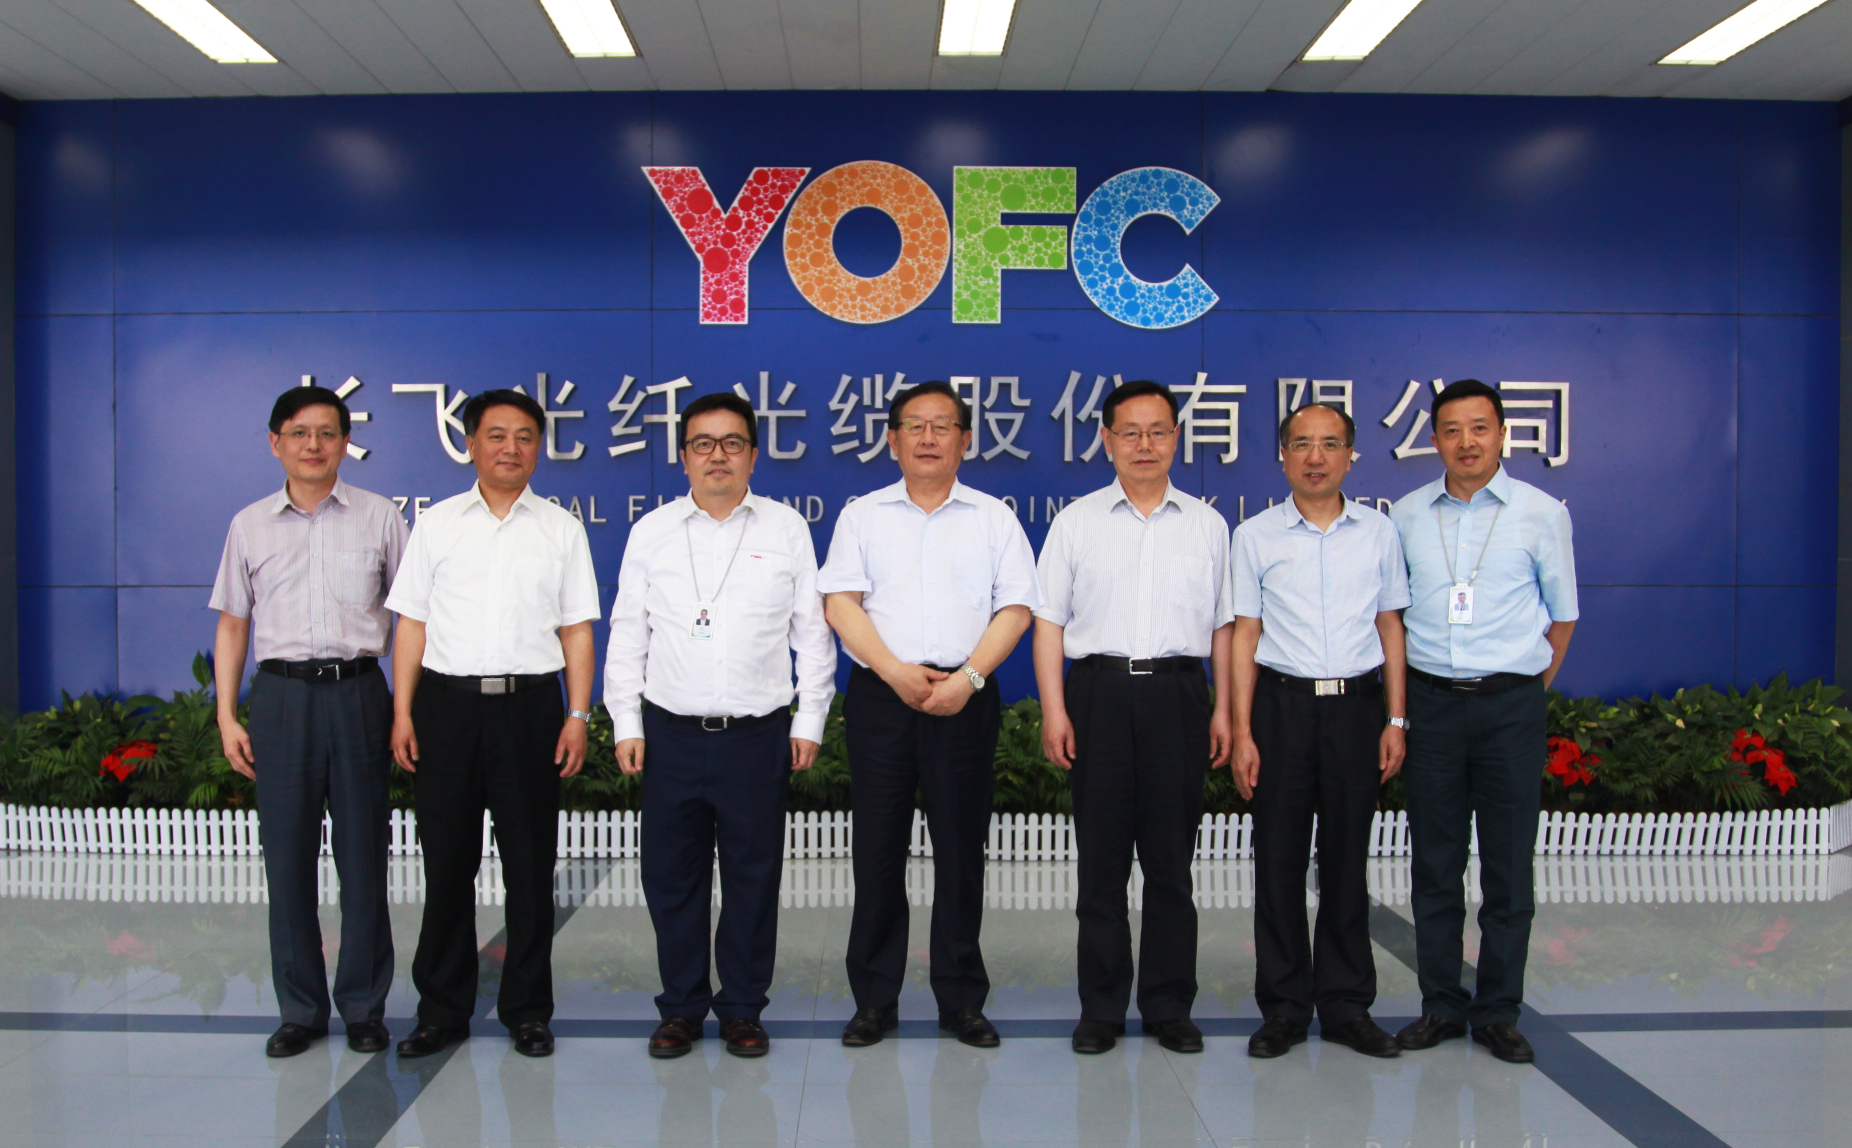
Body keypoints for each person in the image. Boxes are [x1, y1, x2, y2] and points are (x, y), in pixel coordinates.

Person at [605, 391, 836, 1061]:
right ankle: (680, 1008)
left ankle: (741, 1009)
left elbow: (812, 633)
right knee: (671, 878)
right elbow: (628, 631)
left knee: (752, 878)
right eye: (703, 444)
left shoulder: (785, 529)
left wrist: (810, 718)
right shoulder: (652, 531)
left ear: (753, 455)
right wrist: (625, 721)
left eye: (732, 443)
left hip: (757, 735)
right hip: (670, 733)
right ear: (683, 457)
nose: (718, 456)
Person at [819, 380, 1040, 1049]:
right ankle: (874, 1001)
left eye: (943, 426)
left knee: (961, 852)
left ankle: (961, 1000)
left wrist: (968, 679)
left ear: (965, 441)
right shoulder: (862, 516)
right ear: (892, 440)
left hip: (965, 698)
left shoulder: (993, 518)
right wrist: (893, 672)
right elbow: (840, 603)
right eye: (914, 425)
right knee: (877, 851)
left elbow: (1016, 608)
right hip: (882, 698)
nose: (928, 437)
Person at [385, 388, 601, 1060]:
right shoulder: (436, 525)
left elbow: (577, 629)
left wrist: (577, 714)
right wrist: (402, 711)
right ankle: (440, 1010)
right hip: (445, 709)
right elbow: (412, 623)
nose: (511, 448)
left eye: (525, 437)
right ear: (471, 444)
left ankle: (527, 1011)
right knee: (447, 866)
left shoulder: (561, 529)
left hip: (530, 709)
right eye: (497, 435)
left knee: (531, 869)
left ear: (540, 448)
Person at [1032, 379, 1234, 1056]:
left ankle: (1170, 1006)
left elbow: (1225, 628)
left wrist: (1225, 708)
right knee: (1102, 864)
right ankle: (1101, 1008)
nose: (1144, 444)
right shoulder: (1076, 523)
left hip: (1179, 696)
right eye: (1130, 432)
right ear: (1107, 440)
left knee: (1172, 864)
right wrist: (1055, 710)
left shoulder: (1207, 526)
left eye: (1158, 431)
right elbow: (1049, 623)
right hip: (1099, 695)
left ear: (1176, 438)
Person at [210, 385, 407, 1059]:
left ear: (345, 442)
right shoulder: (249, 525)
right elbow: (233, 624)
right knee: (287, 860)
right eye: (299, 432)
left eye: (327, 433)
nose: (313, 445)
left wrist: (404, 710)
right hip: (281, 698)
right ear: (276, 443)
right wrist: (227, 715)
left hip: (358, 694)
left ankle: (363, 1007)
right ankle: (299, 1010)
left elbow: (413, 618)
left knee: (363, 858)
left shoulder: (381, 517)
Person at [1389, 379, 1577, 1065]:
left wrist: (1519, 688)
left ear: (1502, 434)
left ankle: (1498, 1011)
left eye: (1479, 428)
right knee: (1435, 864)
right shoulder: (1405, 515)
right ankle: (1441, 1005)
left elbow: (1563, 618)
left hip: (1510, 709)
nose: (1465, 442)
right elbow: (1392, 617)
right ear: (1434, 439)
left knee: (1508, 867)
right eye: (1451, 430)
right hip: (1432, 705)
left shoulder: (1541, 514)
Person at [1230, 402, 1411, 1060]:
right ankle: (1283, 1008)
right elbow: (1244, 634)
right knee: (1277, 862)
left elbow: (1391, 626)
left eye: (1330, 444)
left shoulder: (1379, 533)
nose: (1315, 457)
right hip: (1281, 709)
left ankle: (1346, 1006)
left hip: (1356, 711)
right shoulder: (1254, 536)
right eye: (1302, 444)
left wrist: (1396, 719)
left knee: (1346, 862)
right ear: (1282, 456)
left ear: (1350, 455)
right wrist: (1243, 730)